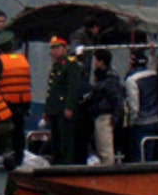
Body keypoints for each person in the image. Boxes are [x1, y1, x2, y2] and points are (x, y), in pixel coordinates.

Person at [42, 36, 83, 164]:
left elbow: (73, 87)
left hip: (64, 108)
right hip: (55, 109)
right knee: (56, 139)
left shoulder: (70, 64)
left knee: (66, 140)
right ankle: (57, 161)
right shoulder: (56, 66)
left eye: (57, 47)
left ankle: (66, 163)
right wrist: (47, 109)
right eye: (52, 48)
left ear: (64, 48)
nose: (54, 51)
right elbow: (51, 90)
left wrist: (69, 107)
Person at [0, 30, 31, 160]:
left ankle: (9, 162)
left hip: (7, 105)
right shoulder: (23, 60)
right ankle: (20, 159)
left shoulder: (0, 62)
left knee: (7, 135)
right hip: (23, 105)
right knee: (19, 134)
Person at [85, 49, 125, 164]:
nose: (94, 63)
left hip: (105, 116)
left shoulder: (108, 81)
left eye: (96, 60)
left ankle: (108, 169)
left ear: (101, 61)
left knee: (105, 149)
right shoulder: (107, 78)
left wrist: (115, 117)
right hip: (100, 115)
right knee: (101, 147)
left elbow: (117, 100)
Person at [124, 51, 158, 162]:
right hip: (155, 119)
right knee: (150, 152)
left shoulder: (132, 80)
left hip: (141, 122)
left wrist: (131, 121)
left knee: (138, 154)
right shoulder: (153, 75)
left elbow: (134, 105)